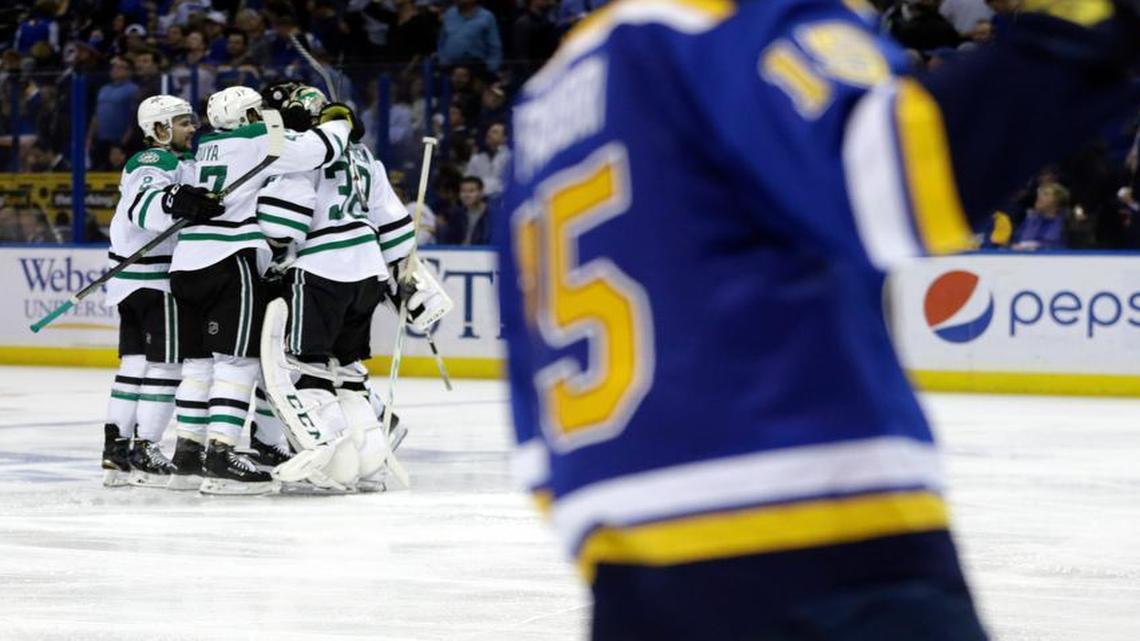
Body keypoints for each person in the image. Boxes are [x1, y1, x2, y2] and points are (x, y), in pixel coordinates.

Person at [495, 0, 1140, 638]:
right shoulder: (726, 22)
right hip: (825, 562)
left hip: (629, 585)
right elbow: (896, 172)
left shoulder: (546, 100)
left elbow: (531, 421)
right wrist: (1081, 32)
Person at [256, 84, 451, 491]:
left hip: (322, 269)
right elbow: (396, 228)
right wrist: (405, 280)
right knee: (348, 373)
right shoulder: (365, 157)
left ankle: (335, 465)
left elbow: (283, 223)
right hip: (368, 273)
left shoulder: (305, 155)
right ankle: (371, 463)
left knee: (309, 372)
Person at [167, 85, 359, 494]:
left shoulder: (205, 147)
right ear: (247, 115)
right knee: (237, 364)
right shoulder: (255, 139)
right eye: (258, 111)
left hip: (185, 264)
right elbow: (316, 151)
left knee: (199, 365)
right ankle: (221, 455)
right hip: (227, 260)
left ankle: (187, 453)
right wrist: (340, 122)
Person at [101, 95, 224, 488]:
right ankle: (146, 446)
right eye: (183, 122)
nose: (192, 128)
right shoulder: (155, 161)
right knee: (166, 367)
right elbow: (145, 207)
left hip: (130, 279)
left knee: (134, 365)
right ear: (158, 129)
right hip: (154, 279)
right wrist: (174, 201)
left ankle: (117, 450)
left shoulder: (172, 162)